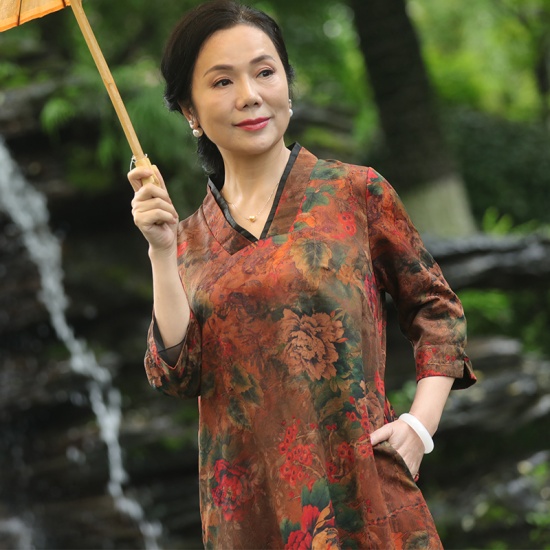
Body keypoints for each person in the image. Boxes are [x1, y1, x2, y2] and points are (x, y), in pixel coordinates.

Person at [128, 1, 476, 548]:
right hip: (250, 517)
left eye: (264, 72)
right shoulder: (185, 238)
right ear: (190, 111)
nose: (249, 95)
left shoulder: (355, 192)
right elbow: (178, 374)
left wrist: (418, 427)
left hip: (365, 497)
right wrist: (160, 252)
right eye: (222, 81)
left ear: (287, 84)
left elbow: (436, 310)